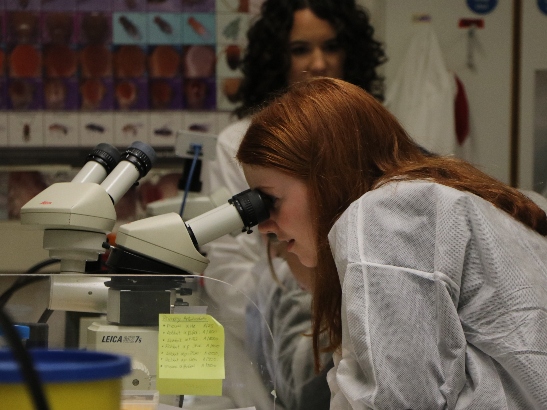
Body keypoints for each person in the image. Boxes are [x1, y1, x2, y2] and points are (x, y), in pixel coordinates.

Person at [236, 77, 547, 409]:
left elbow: (400, 402)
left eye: (270, 201)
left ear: (324, 175)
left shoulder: (383, 214)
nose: (264, 226)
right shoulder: (427, 200)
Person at [201, 1, 386, 409]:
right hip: (273, 341)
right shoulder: (242, 145)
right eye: (301, 49)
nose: (319, 62)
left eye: (332, 46)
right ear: (277, 57)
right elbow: (231, 270)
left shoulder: (369, 133)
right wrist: (301, 318)